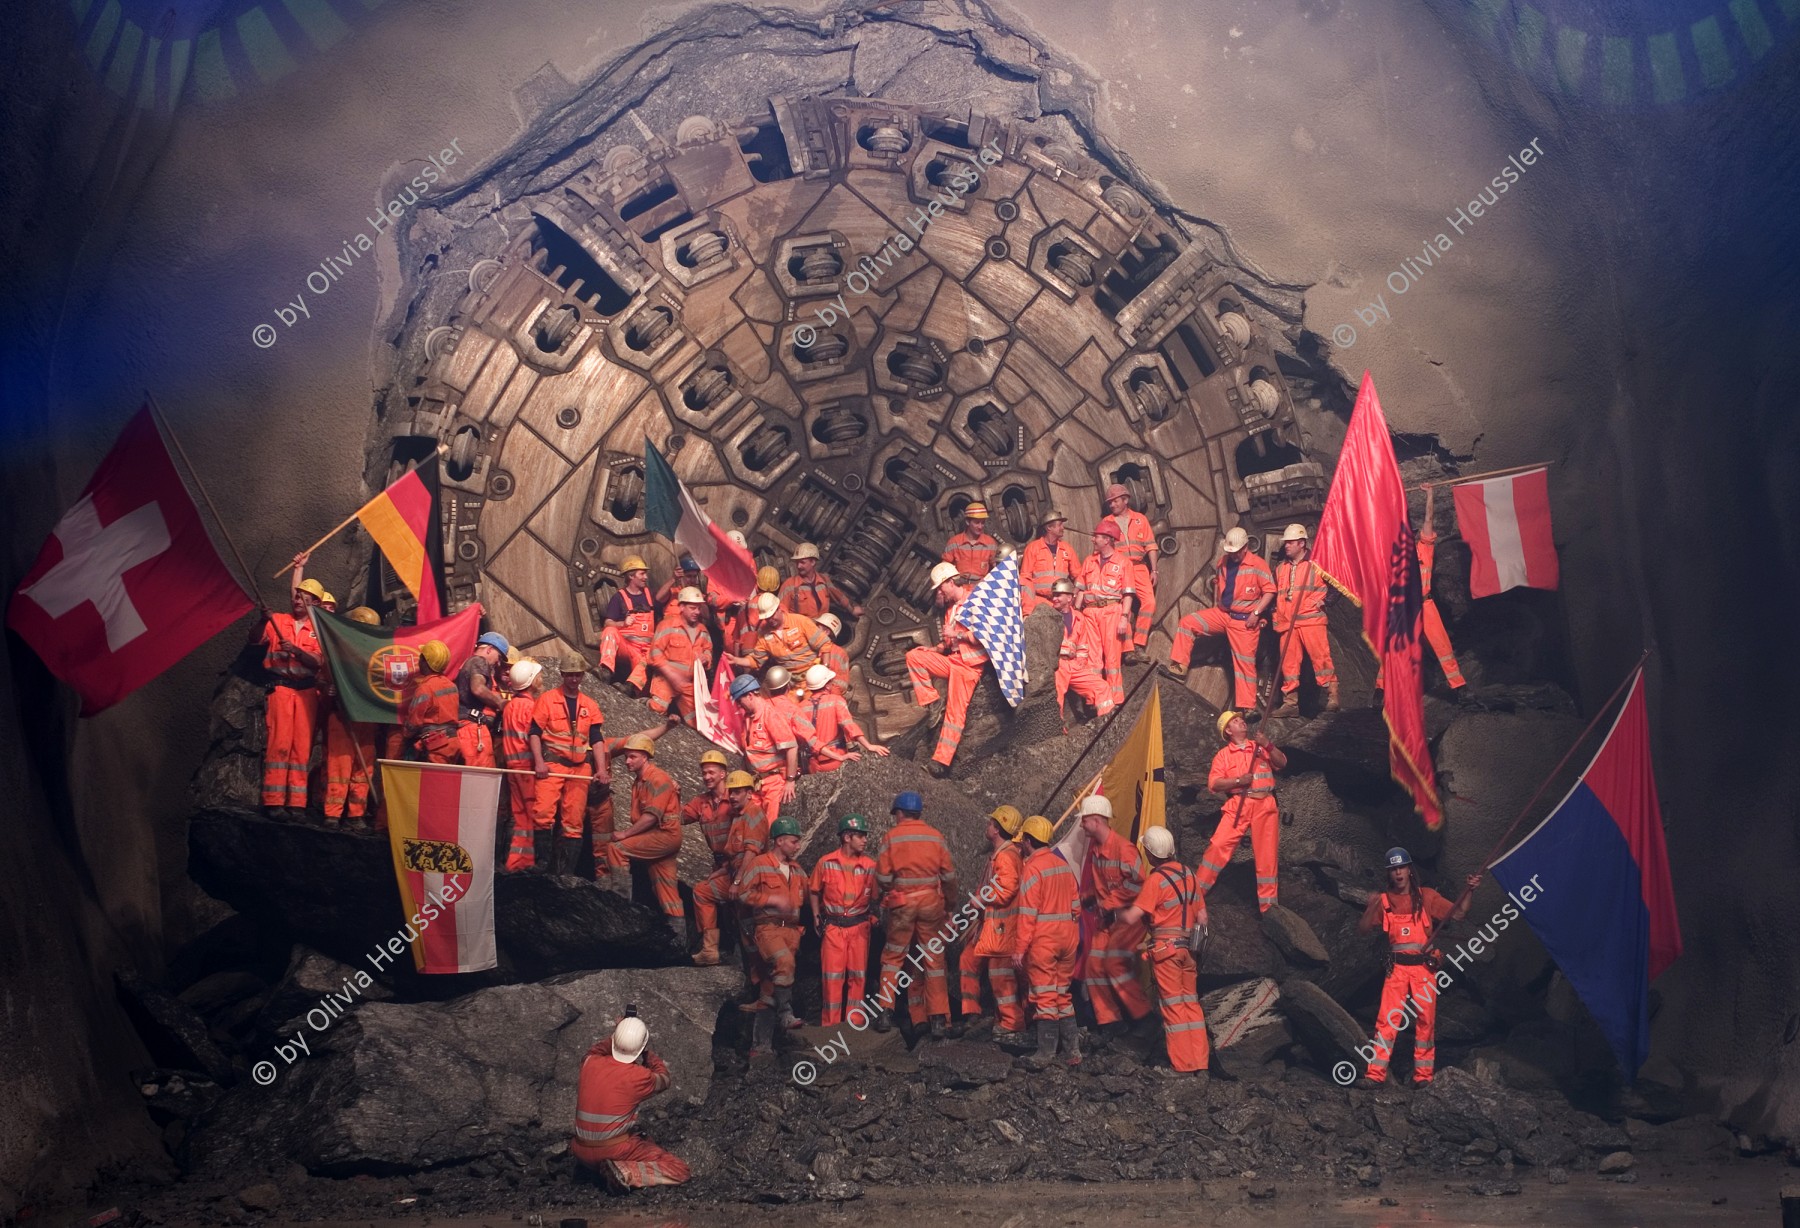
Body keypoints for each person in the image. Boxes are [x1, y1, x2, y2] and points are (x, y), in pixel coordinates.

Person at [1358, 848, 1480, 1085]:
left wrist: (1470, 890)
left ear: (1409, 870)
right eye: (1393, 869)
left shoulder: (1427, 897)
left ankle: (1423, 1077)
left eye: (1401, 867)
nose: (1398, 872)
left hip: (1424, 969)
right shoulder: (1383, 902)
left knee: (1426, 1021)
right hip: (1397, 971)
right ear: (1389, 873)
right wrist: (1371, 906)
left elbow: (1459, 913)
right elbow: (1363, 929)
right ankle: (1375, 1075)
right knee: (1387, 1021)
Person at [1114, 825, 1210, 1074]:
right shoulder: (1189, 875)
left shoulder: (1156, 880)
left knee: (1173, 1007)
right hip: (1189, 951)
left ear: (1150, 853)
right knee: (1191, 1005)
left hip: (1166, 952)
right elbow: (1202, 917)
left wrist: (1113, 911)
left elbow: (1134, 917)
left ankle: (1182, 1066)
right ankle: (1200, 1063)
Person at [872, 791, 958, 1036]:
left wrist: (891, 889)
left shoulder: (891, 837)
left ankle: (885, 1013)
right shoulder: (935, 837)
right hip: (932, 904)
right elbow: (950, 877)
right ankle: (939, 1019)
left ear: (899, 813)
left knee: (893, 958)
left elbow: (883, 878)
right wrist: (949, 906)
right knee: (934, 960)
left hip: (902, 905)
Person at [572, 1014, 689, 1191]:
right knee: (679, 1169)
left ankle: (595, 1170)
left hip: (580, 1151)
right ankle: (625, 1172)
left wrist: (618, 1033)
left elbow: (596, 1050)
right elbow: (664, 1078)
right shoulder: (640, 1076)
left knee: (640, 1137)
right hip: (613, 1150)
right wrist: (647, 1053)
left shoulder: (590, 1062)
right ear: (641, 1046)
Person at [1165, 526, 1275, 711]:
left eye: (1236, 551)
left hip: (1244, 620)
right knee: (1187, 623)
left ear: (1246, 547)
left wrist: (1256, 614)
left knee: (1244, 664)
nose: (1233, 555)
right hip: (1223, 614)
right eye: (1230, 551)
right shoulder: (1223, 562)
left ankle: (1247, 707)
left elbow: (1270, 591)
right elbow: (1221, 584)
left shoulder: (1257, 565)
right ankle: (1179, 667)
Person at [1076, 795, 1152, 1041]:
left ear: (1096, 820)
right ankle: (1111, 1022)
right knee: (1093, 966)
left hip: (1129, 919)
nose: (1081, 825)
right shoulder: (1097, 850)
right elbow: (1104, 887)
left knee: (1113, 964)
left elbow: (1138, 884)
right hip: (1108, 919)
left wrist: (1106, 902)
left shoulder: (1123, 849)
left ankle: (1144, 1018)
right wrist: (1089, 897)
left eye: (1084, 820)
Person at [903, 562, 989, 777]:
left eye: (941, 587)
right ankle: (933, 702)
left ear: (951, 582)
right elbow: (949, 644)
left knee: (955, 712)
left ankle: (940, 762)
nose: (939, 593)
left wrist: (957, 634)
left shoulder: (976, 600)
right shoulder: (951, 610)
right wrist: (933, 649)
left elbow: (985, 636)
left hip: (970, 666)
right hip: (954, 660)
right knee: (914, 656)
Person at [1197, 710, 1287, 913]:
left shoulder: (1259, 747)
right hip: (1239, 803)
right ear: (1228, 730)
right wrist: (1238, 781)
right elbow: (1214, 783)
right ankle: (1195, 895)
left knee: (1267, 855)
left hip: (1265, 803)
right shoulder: (1223, 756)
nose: (1242, 722)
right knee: (1218, 845)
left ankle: (1269, 907)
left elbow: (1282, 762)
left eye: (1241, 720)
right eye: (1236, 721)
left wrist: (1267, 744)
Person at [529, 655, 609, 877]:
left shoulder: (589, 705)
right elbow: (534, 733)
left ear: (582, 676)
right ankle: (541, 865)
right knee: (543, 812)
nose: (573, 679)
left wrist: (601, 769)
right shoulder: (546, 700)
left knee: (574, 822)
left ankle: (565, 873)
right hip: (553, 764)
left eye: (577, 674)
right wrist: (539, 762)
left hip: (580, 768)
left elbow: (596, 738)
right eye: (569, 674)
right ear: (562, 675)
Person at [593, 728, 683, 922]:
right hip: (660, 837)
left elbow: (651, 816)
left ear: (645, 756)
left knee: (616, 849)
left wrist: (625, 834)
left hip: (664, 835)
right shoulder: (640, 781)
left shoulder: (657, 779)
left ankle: (620, 904)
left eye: (632, 757)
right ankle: (678, 935)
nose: (627, 761)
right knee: (666, 887)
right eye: (626, 757)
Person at [737, 815, 809, 1056]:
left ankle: (760, 1047)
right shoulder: (759, 864)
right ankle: (786, 1013)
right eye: (793, 841)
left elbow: (811, 895)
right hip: (767, 928)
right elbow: (743, 894)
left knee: (769, 990)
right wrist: (770, 899)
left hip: (791, 932)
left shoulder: (798, 871)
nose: (798, 846)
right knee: (784, 962)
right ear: (779, 841)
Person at [1013, 814, 1081, 1069]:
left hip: (1045, 940)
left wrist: (1020, 949)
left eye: (1023, 842)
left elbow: (1028, 913)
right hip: (1068, 939)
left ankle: (1045, 1053)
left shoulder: (1033, 868)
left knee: (1044, 995)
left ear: (1029, 841)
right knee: (1062, 994)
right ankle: (1073, 1051)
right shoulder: (1062, 865)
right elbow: (1076, 907)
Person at [957, 805, 1027, 1042]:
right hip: (989, 926)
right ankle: (972, 1013)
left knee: (1000, 976)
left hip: (1001, 929)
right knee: (968, 960)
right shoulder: (999, 855)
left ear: (997, 829)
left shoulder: (1006, 857)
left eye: (991, 823)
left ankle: (1012, 1022)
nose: (987, 826)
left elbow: (1006, 890)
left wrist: (981, 899)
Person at [259, 573, 326, 819]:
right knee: (279, 745)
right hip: (281, 688)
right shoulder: (277, 621)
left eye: (305, 597)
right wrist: (261, 620)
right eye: (297, 595)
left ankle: (296, 803)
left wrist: (296, 651)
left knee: (302, 747)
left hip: (307, 691)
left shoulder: (318, 631)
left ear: (316, 603)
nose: (298, 600)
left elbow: (317, 661)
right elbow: (255, 639)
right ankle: (274, 801)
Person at [811, 814, 878, 1027]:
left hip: (859, 927)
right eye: (860, 836)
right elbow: (813, 891)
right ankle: (830, 1025)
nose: (865, 840)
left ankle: (854, 1023)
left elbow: (877, 895)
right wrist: (815, 915)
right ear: (847, 837)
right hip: (833, 927)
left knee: (858, 976)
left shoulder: (870, 865)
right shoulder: (826, 862)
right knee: (832, 977)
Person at [321, 605, 381, 830]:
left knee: (363, 767)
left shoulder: (376, 656)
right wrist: (330, 688)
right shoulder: (338, 654)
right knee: (339, 767)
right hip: (342, 716)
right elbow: (323, 678)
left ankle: (356, 814)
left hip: (367, 718)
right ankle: (333, 814)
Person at [1271, 525, 1338, 716]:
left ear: (1302, 543)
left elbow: (1337, 586)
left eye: (1291, 542)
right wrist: (1275, 613)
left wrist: (1325, 602)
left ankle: (1332, 697)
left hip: (1311, 621)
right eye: (1286, 543)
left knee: (1321, 659)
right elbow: (1275, 594)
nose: (1287, 546)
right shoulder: (1280, 568)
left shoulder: (1317, 563)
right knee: (1288, 665)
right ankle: (1290, 703)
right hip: (1287, 624)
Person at [732, 674, 815, 819]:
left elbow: (791, 747)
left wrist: (790, 780)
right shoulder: (748, 718)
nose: (739, 706)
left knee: (770, 828)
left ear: (750, 695)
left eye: (740, 701)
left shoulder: (770, 715)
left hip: (773, 783)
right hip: (756, 783)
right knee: (753, 829)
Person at [682, 750, 736, 965]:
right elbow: (678, 817)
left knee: (707, 894)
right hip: (720, 862)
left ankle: (719, 951)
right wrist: (670, 795)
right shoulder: (701, 802)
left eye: (711, 772)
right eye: (704, 773)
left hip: (737, 864)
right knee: (716, 900)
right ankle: (714, 950)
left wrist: (730, 866)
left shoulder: (735, 798)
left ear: (723, 773)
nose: (706, 777)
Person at [1076, 519, 1135, 706]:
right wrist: (1076, 613)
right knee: (1092, 659)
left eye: (1097, 537)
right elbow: (1079, 590)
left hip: (1112, 612)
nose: (1093, 539)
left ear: (1108, 540)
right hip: (1090, 613)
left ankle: (1116, 700)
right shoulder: (1089, 561)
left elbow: (1128, 594)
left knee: (1112, 658)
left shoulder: (1123, 563)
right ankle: (1095, 699)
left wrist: (1124, 618)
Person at [499, 659, 547, 871]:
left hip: (512, 766)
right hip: (527, 767)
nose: (542, 679)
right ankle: (522, 863)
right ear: (530, 681)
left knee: (520, 817)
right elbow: (535, 737)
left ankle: (515, 861)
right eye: (539, 676)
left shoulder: (510, 706)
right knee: (530, 816)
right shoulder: (531, 707)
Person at [1104, 483, 1159, 658]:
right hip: (1120, 569)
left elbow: (1151, 545)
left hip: (1140, 567)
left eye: (1115, 501)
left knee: (1149, 602)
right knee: (1122, 607)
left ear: (1125, 500)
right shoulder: (1107, 522)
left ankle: (1139, 644)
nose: (1112, 505)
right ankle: (1128, 650)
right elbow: (1100, 550)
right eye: (1110, 502)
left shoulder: (1140, 519)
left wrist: (1154, 570)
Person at [799, 662, 887, 769]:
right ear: (826, 685)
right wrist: (868, 746)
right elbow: (849, 726)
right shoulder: (836, 700)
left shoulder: (801, 707)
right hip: (836, 758)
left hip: (812, 763)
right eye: (831, 682)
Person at [1050, 578, 1115, 721]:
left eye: (1059, 595)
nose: (1055, 598)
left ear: (1069, 597)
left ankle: (1107, 723)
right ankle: (1059, 733)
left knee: (1102, 687)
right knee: (1057, 698)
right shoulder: (1048, 615)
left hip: (1074, 665)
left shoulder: (1079, 617)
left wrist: (1080, 662)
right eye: (1053, 595)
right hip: (1057, 665)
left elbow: (1083, 645)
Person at [647, 587, 714, 726]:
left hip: (689, 683)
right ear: (682, 607)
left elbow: (708, 650)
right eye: (693, 608)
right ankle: (643, 701)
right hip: (665, 680)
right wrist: (671, 674)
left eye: (699, 608)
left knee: (698, 723)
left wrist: (706, 658)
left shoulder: (703, 630)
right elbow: (655, 653)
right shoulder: (667, 625)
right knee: (657, 709)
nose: (697, 612)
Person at [728, 592, 831, 675]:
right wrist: (737, 660)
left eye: (772, 615)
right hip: (789, 680)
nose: (770, 620)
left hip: (813, 674)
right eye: (767, 618)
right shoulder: (764, 634)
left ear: (779, 609)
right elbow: (756, 661)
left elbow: (824, 644)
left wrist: (824, 670)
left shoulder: (800, 621)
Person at [599, 558, 657, 693]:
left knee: (647, 658)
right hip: (627, 645)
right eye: (642, 574)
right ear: (631, 576)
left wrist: (674, 578)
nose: (645, 577)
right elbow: (608, 622)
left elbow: (663, 598)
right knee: (610, 631)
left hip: (646, 649)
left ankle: (630, 688)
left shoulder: (649, 595)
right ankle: (606, 670)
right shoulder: (619, 597)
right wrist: (622, 623)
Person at [400, 639, 461, 765]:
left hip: (436, 744)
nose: (419, 661)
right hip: (454, 742)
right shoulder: (452, 685)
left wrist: (405, 735)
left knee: (434, 782)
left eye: (421, 658)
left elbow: (414, 722)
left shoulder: (425, 688)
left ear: (426, 662)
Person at [455, 631, 510, 768]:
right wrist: (500, 702)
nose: (498, 663)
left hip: (470, 729)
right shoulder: (479, 661)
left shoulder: (469, 663)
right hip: (473, 731)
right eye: (499, 657)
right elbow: (478, 688)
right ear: (489, 649)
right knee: (480, 776)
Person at [779, 542, 863, 620]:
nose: (798, 566)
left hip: (821, 630)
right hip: (800, 632)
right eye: (797, 562)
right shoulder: (789, 585)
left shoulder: (824, 580)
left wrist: (852, 610)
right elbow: (780, 613)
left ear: (812, 562)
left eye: (802, 562)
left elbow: (839, 597)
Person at [1019, 508, 1079, 614]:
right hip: (1039, 603)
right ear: (1049, 527)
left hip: (1062, 604)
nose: (1063, 528)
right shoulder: (1033, 548)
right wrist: (1027, 609)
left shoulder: (1067, 549)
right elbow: (1025, 579)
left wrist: (1073, 596)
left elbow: (1079, 575)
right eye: (1059, 525)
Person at [941, 501, 999, 579]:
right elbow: (944, 567)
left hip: (981, 587)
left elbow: (997, 567)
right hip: (960, 587)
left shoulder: (990, 543)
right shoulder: (954, 542)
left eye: (982, 523)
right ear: (967, 522)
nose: (980, 526)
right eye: (977, 522)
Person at [814, 611, 852, 687]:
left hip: (825, 694)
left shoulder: (840, 653)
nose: (813, 630)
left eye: (817, 627)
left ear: (826, 632)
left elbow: (842, 684)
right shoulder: (808, 644)